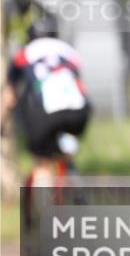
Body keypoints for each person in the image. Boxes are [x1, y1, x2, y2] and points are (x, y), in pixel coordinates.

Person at [2, 15, 91, 183]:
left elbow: (9, 97)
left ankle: (43, 197)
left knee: (42, 163)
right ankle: (70, 171)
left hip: (46, 113)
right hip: (79, 111)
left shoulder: (24, 53)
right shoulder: (69, 51)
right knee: (65, 145)